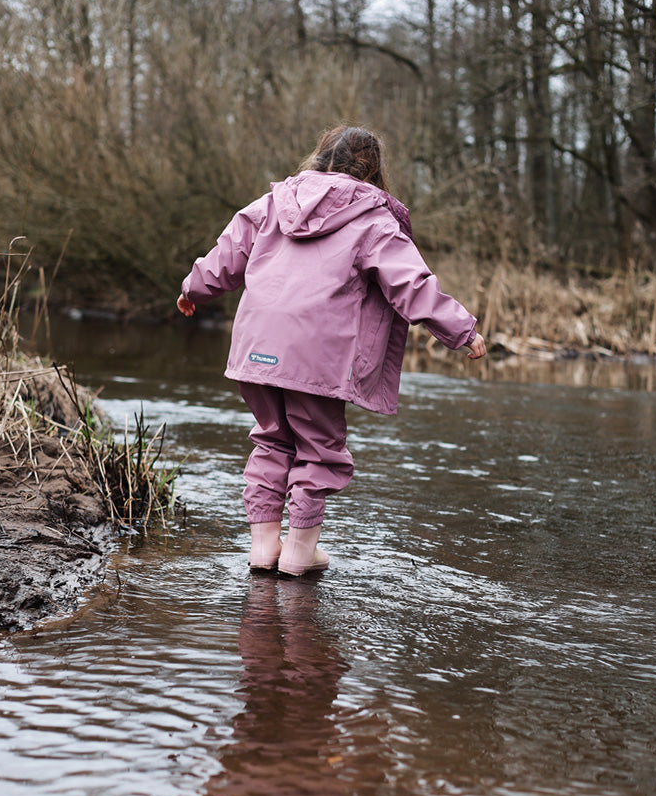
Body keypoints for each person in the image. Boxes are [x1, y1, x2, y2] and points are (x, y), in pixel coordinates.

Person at [177, 125, 486, 577]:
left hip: (256, 347)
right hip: (318, 355)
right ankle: (300, 554)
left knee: (271, 438)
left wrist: (192, 289)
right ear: (375, 171)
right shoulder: (372, 217)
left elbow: (227, 252)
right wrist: (459, 329)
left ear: (321, 158)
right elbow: (409, 282)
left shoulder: (273, 202)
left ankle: (264, 549)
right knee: (318, 447)